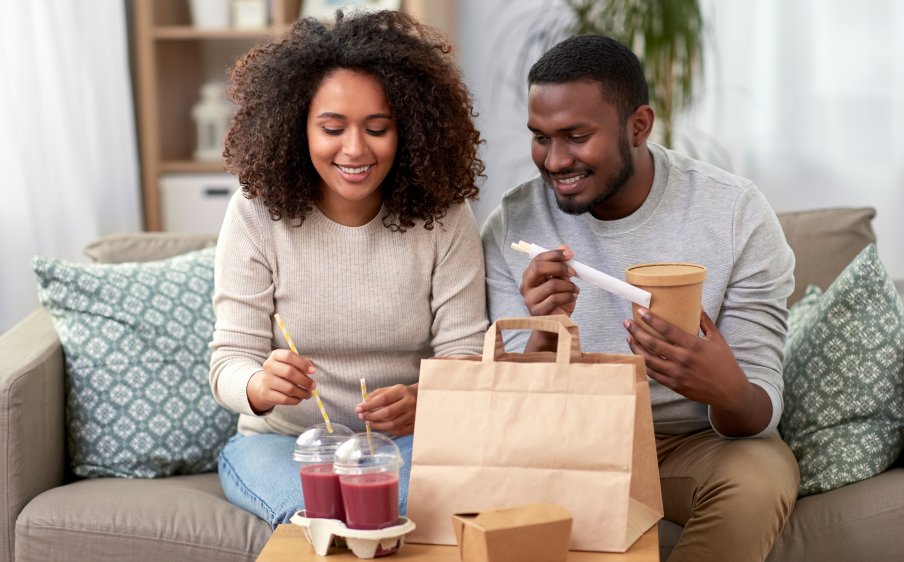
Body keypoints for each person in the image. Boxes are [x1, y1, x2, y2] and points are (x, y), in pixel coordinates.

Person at [481, 34, 798, 561]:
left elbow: (759, 408)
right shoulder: (514, 226)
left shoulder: (735, 214)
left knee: (760, 478)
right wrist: (542, 335)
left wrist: (725, 388)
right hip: (567, 446)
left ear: (639, 125)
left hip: (691, 445)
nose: (555, 160)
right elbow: (506, 412)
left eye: (576, 136)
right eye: (540, 137)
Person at [210, 10, 488, 529]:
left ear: (410, 130)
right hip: (284, 445)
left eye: (378, 129)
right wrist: (259, 386)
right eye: (332, 128)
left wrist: (424, 400)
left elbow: (466, 357)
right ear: (297, 126)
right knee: (325, 511)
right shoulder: (255, 214)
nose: (355, 149)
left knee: (394, 505)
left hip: (403, 444)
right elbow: (229, 361)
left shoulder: (445, 218)